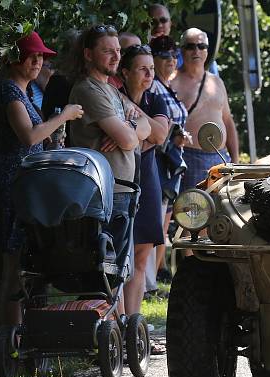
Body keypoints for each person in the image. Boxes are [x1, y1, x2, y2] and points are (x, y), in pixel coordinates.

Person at [0, 32, 83, 326]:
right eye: (32, 56)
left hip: (23, 184)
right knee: (11, 267)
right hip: (10, 184)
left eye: (41, 57)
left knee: (23, 265)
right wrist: (63, 116)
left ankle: (20, 336)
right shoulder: (8, 91)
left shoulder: (21, 91)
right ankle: (11, 342)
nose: (38, 61)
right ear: (15, 59)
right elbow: (28, 137)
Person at [68, 25, 152, 318]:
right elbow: (132, 138)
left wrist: (127, 129)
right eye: (108, 50)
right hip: (105, 192)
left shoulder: (112, 89)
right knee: (104, 270)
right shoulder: (89, 89)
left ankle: (109, 332)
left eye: (118, 50)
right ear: (89, 54)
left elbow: (146, 126)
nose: (116, 56)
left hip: (124, 189)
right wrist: (129, 132)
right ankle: (98, 331)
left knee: (117, 270)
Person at [118, 44, 169, 322]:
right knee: (119, 255)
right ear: (125, 71)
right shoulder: (113, 96)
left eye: (152, 68)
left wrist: (134, 115)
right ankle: (117, 322)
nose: (150, 74)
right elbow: (148, 134)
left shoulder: (155, 100)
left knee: (141, 255)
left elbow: (160, 136)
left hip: (148, 175)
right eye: (142, 68)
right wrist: (144, 131)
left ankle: (132, 327)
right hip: (120, 175)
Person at [172, 28, 239, 193]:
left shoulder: (216, 82)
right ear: (182, 49)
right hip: (188, 157)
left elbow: (228, 121)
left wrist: (235, 162)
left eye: (201, 46)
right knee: (192, 214)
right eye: (190, 46)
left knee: (222, 214)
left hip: (220, 158)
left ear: (207, 50)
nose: (196, 51)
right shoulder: (172, 81)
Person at [149, 34, 188, 290]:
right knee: (156, 225)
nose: (171, 61)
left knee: (163, 223)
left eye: (175, 56)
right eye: (165, 57)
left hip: (171, 162)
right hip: (158, 161)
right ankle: (149, 281)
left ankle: (152, 279)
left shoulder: (165, 86)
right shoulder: (153, 87)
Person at [148, 3, 219, 75]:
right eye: (153, 22)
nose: (159, 25)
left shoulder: (193, 55)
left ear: (170, 23)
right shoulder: (141, 53)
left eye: (163, 20)